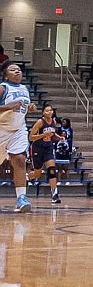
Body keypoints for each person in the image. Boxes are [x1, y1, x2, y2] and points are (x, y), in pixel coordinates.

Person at [0, 62, 35, 212]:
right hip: (1, 129)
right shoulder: (2, 88)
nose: (17, 72)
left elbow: (22, 109)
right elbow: (9, 107)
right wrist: (8, 106)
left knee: (20, 159)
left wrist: (30, 108)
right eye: (12, 70)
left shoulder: (24, 89)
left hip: (18, 129)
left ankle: (21, 198)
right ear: (6, 75)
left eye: (19, 70)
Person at [27, 104, 64, 204]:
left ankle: (55, 194)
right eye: (47, 111)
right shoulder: (40, 122)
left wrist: (58, 137)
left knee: (52, 169)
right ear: (43, 112)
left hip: (48, 147)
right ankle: (26, 177)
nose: (50, 112)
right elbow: (31, 137)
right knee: (37, 174)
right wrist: (43, 135)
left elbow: (52, 134)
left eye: (51, 110)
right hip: (37, 148)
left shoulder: (54, 122)